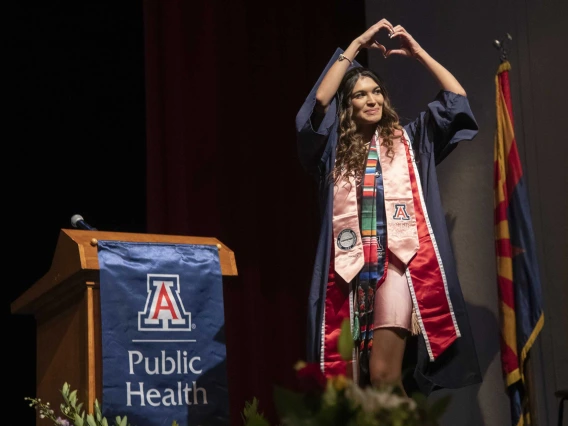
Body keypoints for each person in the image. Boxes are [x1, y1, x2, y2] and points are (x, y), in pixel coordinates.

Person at [296, 18, 482, 396]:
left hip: (396, 267)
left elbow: (456, 98)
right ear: (348, 106)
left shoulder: (409, 141)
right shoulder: (331, 152)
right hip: (347, 273)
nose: (373, 100)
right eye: (362, 94)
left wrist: (417, 53)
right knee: (349, 387)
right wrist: (356, 45)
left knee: (383, 375)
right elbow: (318, 102)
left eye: (377, 92)